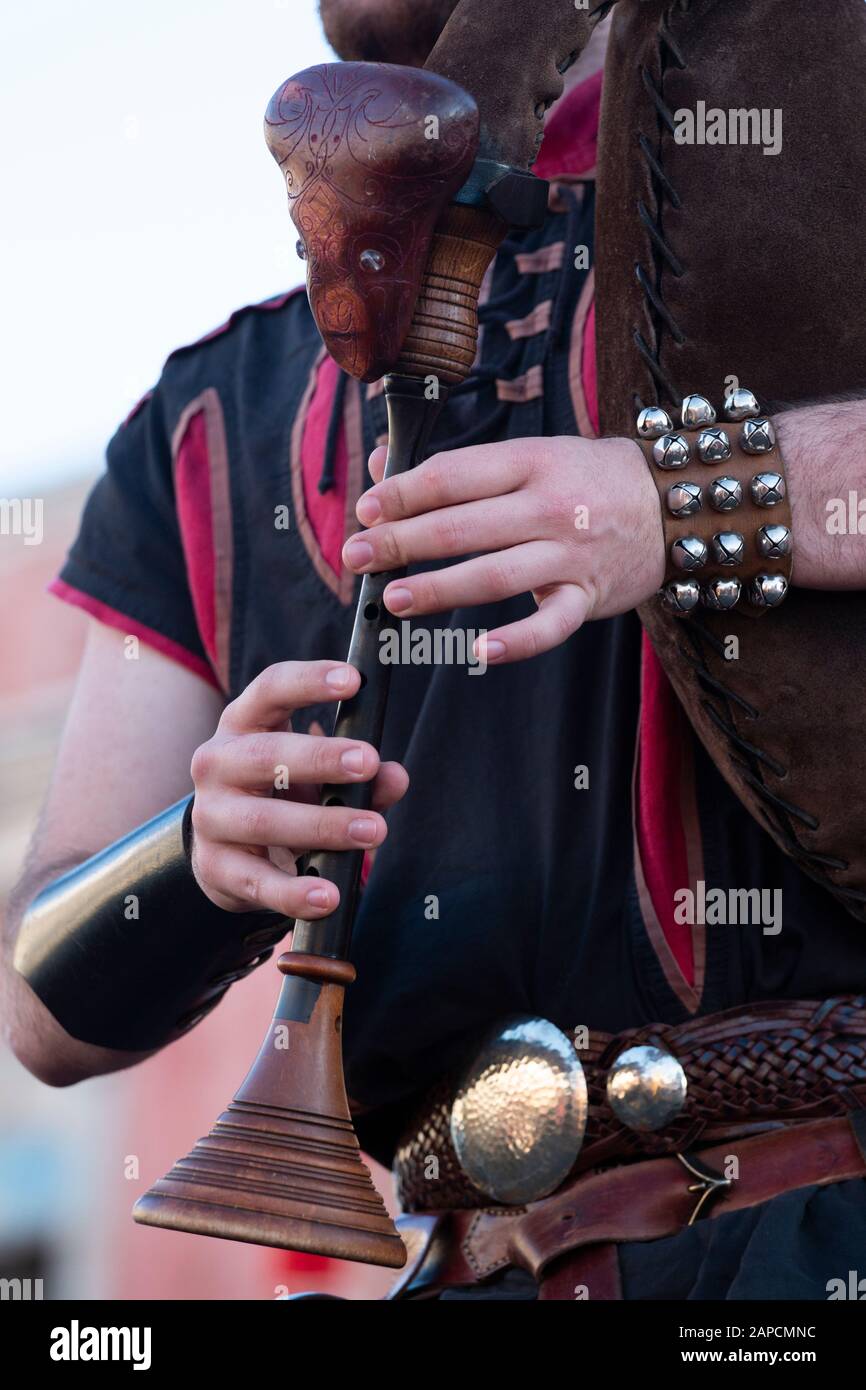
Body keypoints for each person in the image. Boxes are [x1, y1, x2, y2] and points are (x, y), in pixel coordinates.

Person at [4, 1, 866, 1300]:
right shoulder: (204, 418)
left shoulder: (819, 160)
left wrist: (682, 501)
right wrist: (199, 856)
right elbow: (41, 1018)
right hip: (473, 1260)